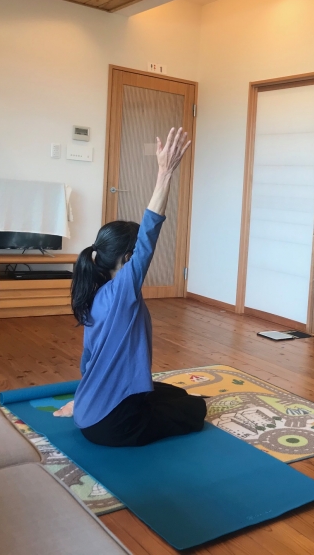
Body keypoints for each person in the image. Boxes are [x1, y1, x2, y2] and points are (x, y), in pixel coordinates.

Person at [53, 128, 208, 446]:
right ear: (127, 258)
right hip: (116, 425)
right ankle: (100, 409)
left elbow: (88, 360)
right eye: (135, 256)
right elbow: (150, 233)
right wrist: (165, 173)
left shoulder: (95, 295)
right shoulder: (122, 292)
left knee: (173, 392)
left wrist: (82, 400)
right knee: (195, 409)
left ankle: (79, 405)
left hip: (91, 411)